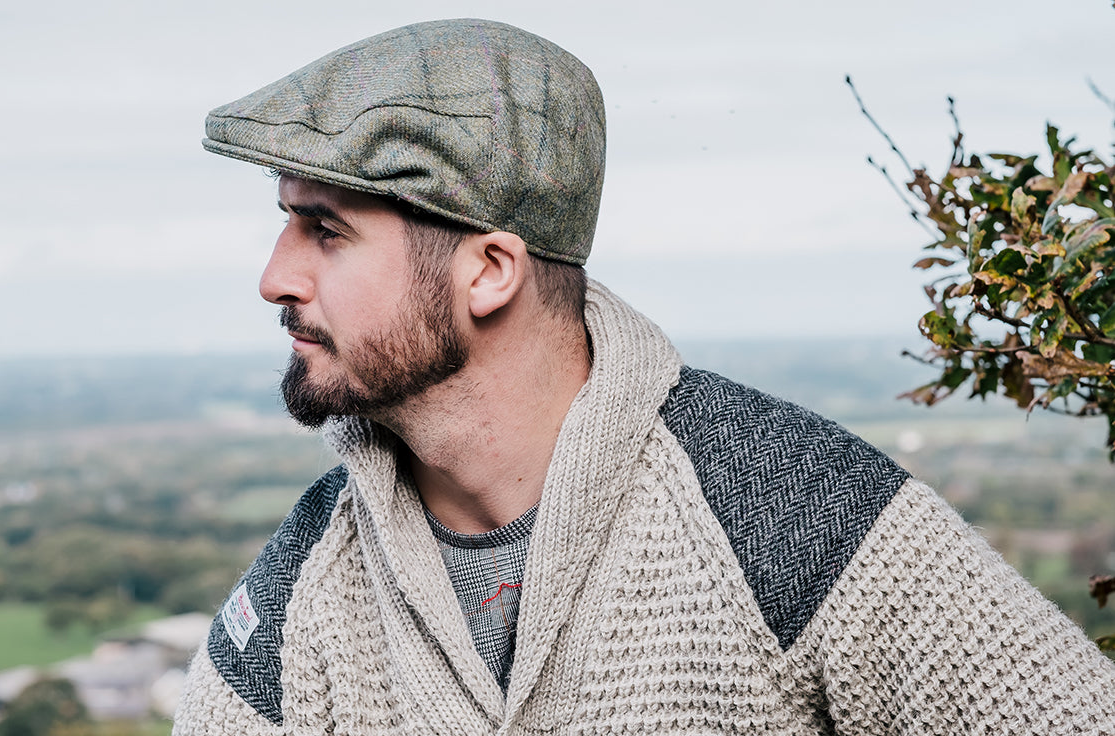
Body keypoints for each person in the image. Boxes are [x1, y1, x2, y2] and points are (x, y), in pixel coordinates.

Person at [174, 18, 1115, 735]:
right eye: (286, 222)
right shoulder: (305, 586)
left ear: (489, 272)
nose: (275, 278)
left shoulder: (788, 509)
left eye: (325, 231)